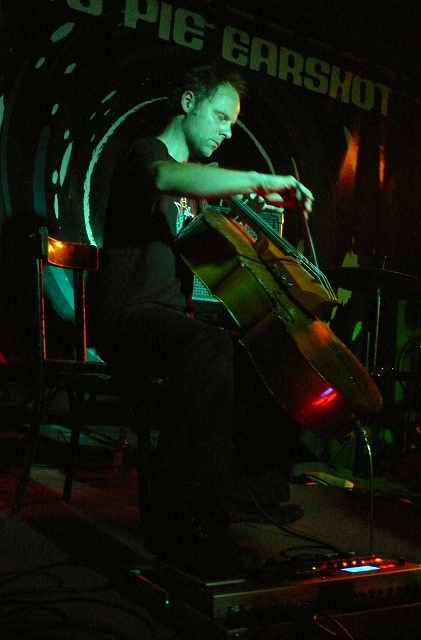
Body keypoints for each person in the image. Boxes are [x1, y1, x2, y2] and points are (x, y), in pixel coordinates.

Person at [87, 64, 314, 578]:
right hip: (127, 318)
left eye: (233, 124)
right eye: (221, 116)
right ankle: (185, 523)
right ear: (188, 102)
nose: (227, 131)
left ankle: (254, 492)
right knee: (207, 346)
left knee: (262, 349)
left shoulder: (195, 185)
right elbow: (165, 178)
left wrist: (249, 207)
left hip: (168, 321)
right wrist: (255, 179)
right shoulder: (147, 153)